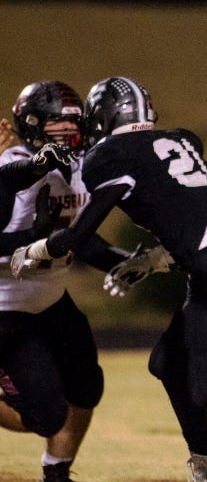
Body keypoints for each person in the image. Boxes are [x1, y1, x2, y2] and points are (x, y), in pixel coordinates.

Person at [10, 77, 207, 482]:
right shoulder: (180, 140)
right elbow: (186, 211)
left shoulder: (111, 155)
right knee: (167, 363)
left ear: (104, 116)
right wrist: (153, 260)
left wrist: (33, 250)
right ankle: (205, 465)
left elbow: (80, 235)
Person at [0, 81, 127, 482]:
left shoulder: (78, 166)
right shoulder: (9, 166)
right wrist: (33, 239)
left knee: (87, 387)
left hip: (51, 300)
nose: (69, 128)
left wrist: (127, 263)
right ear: (32, 123)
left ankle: (57, 474)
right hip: (5, 307)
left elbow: (78, 239)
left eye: (75, 119)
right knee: (44, 415)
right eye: (58, 120)